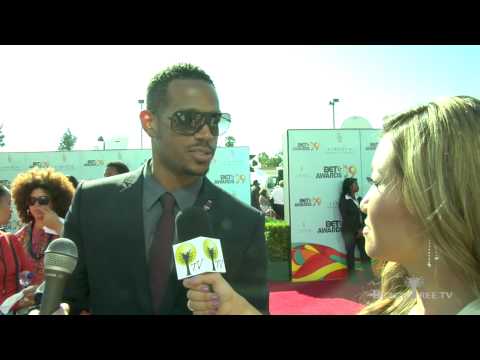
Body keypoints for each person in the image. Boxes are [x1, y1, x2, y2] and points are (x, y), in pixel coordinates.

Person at [184, 96, 480, 315]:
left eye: (376, 182)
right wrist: (234, 306)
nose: (365, 201)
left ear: (431, 198)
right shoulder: (402, 303)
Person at [62, 63, 269, 315]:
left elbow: (254, 309)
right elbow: (69, 297)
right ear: (149, 122)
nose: (206, 133)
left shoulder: (244, 222)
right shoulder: (92, 202)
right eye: (189, 119)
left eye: (214, 121)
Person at [11, 168, 75, 286]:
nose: (36, 205)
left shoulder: (67, 227)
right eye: (32, 200)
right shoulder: (19, 237)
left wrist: (58, 227)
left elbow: (81, 253)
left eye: (43, 200)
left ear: (55, 202)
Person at [0, 185, 37, 314]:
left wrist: (29, 290)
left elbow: (29, 274)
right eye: (8, 204)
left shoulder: (11, 240)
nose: (11, 210)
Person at [339, 177, 371, 280]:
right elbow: (346, 218)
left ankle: (369, 276)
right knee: (350, 254)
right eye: (355, 184)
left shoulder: (360, 199)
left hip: (361, 232)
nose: (357, 185)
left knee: (365, 254)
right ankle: (352, 278)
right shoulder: (344, 200)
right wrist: (356, 230)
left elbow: (365, 215)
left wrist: (362, 229)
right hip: (349, 232)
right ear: (349, 187)